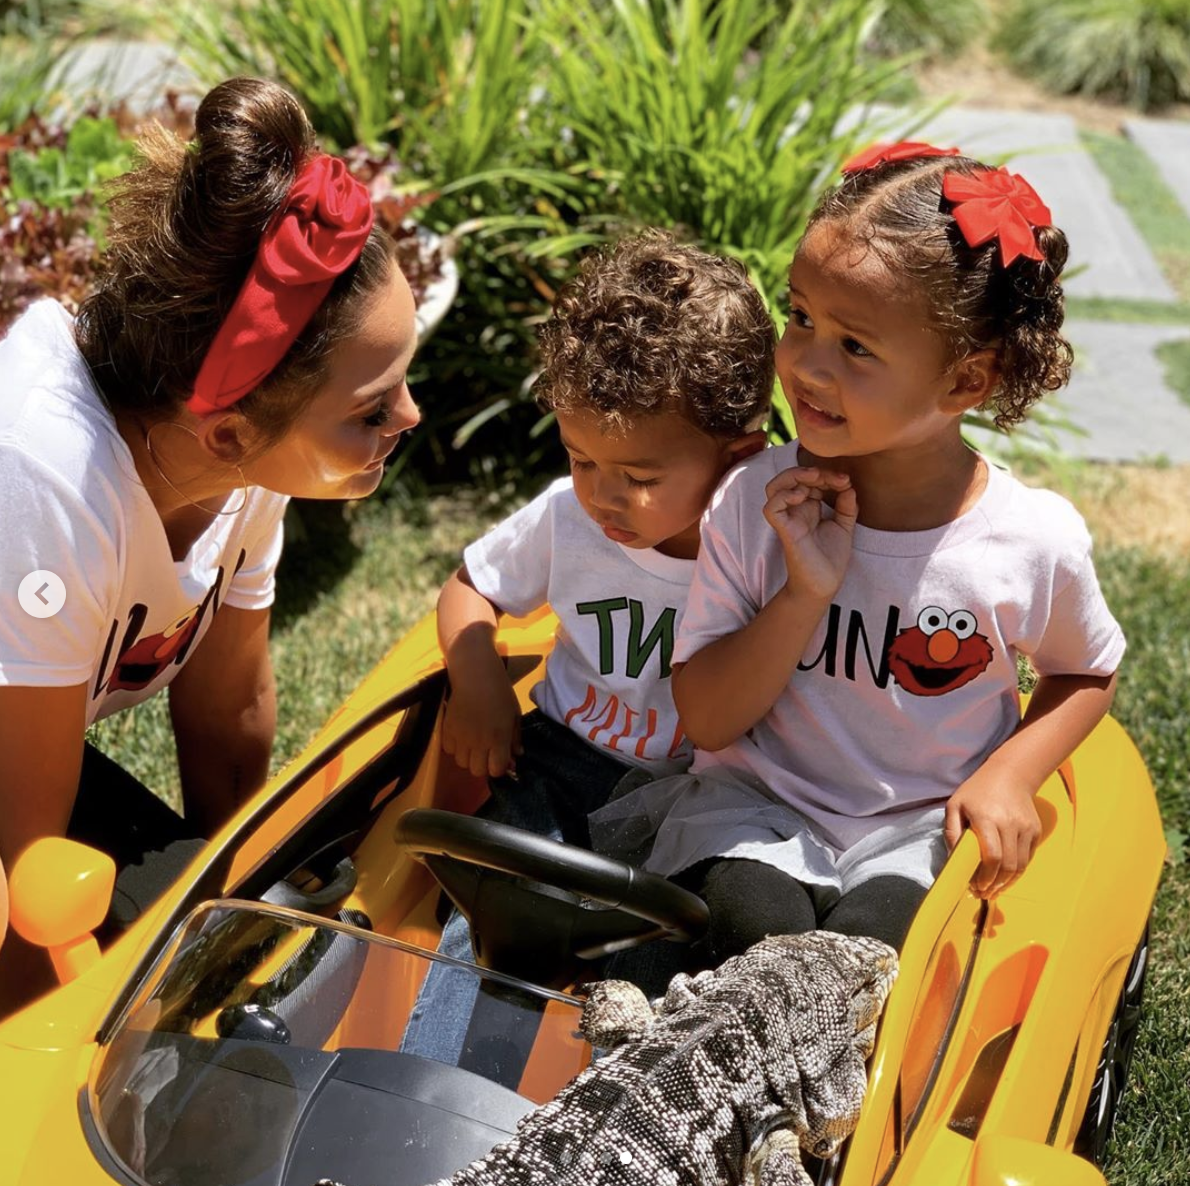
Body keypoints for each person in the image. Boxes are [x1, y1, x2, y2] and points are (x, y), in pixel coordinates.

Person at [591, 142, 1124, 973]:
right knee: (748, 929)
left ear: (964, 381)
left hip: (918, 824)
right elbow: (707, 718)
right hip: (756, 806)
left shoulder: (1029, 540)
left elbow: (1085, 672)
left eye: (856, 347)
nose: (805, 362)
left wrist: (1011, 775)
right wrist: (804, 592)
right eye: (801, 316)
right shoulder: (755, 501)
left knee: (872, 956)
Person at [0, 76, 420, 1012]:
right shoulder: (42, 474)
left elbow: (229, 711)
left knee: (207, 971)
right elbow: (25, 871)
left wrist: (232, 920)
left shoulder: (236, 455)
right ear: (226, 432)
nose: (410, 414)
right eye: (371, 409)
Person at [400, 231, 773, 1079]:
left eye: (638, 475)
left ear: (735, 460)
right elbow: (470, 587)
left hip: (702, 788)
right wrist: (481, 682)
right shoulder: (568, 519)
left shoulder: (761, 545)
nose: (603, 494)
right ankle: (443, 1095)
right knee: (493, 907)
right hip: (564, 760)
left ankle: (605, 1126)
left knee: (667, 961)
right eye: (579, 459)